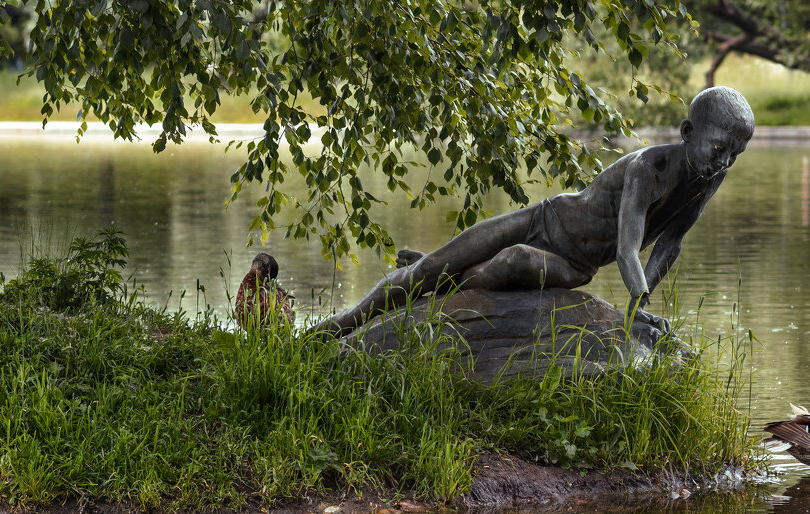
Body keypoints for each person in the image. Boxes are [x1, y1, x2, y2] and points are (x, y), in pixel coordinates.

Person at [310, 86, 755, 338]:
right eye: (719, 149)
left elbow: (670, 242)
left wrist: (639, 307)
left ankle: (441, 284)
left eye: (734, 155)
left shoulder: (709, 179)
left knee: (507, 263)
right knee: (434, 266)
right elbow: (627, 248)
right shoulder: (648, 169)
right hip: (545, 218)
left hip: (573, 263)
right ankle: (342, 324)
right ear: (687, 131)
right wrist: (637, 306)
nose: (724, 163)